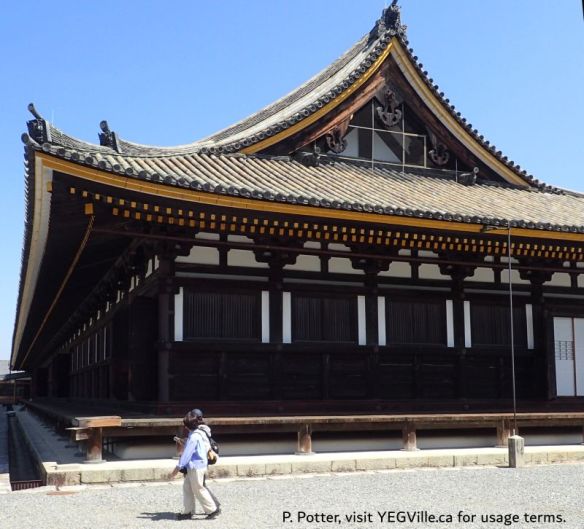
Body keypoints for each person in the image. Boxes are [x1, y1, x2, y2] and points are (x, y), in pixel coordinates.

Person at [169, 409, 220, 520]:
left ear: (188, 426)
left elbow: (187, 454)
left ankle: (212, 509)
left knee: (198, 489)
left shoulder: (194, 437)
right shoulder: (197, 433)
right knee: (187, 487)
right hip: (195, 466)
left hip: (196, 467)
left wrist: (177, 468)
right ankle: (188, 511)